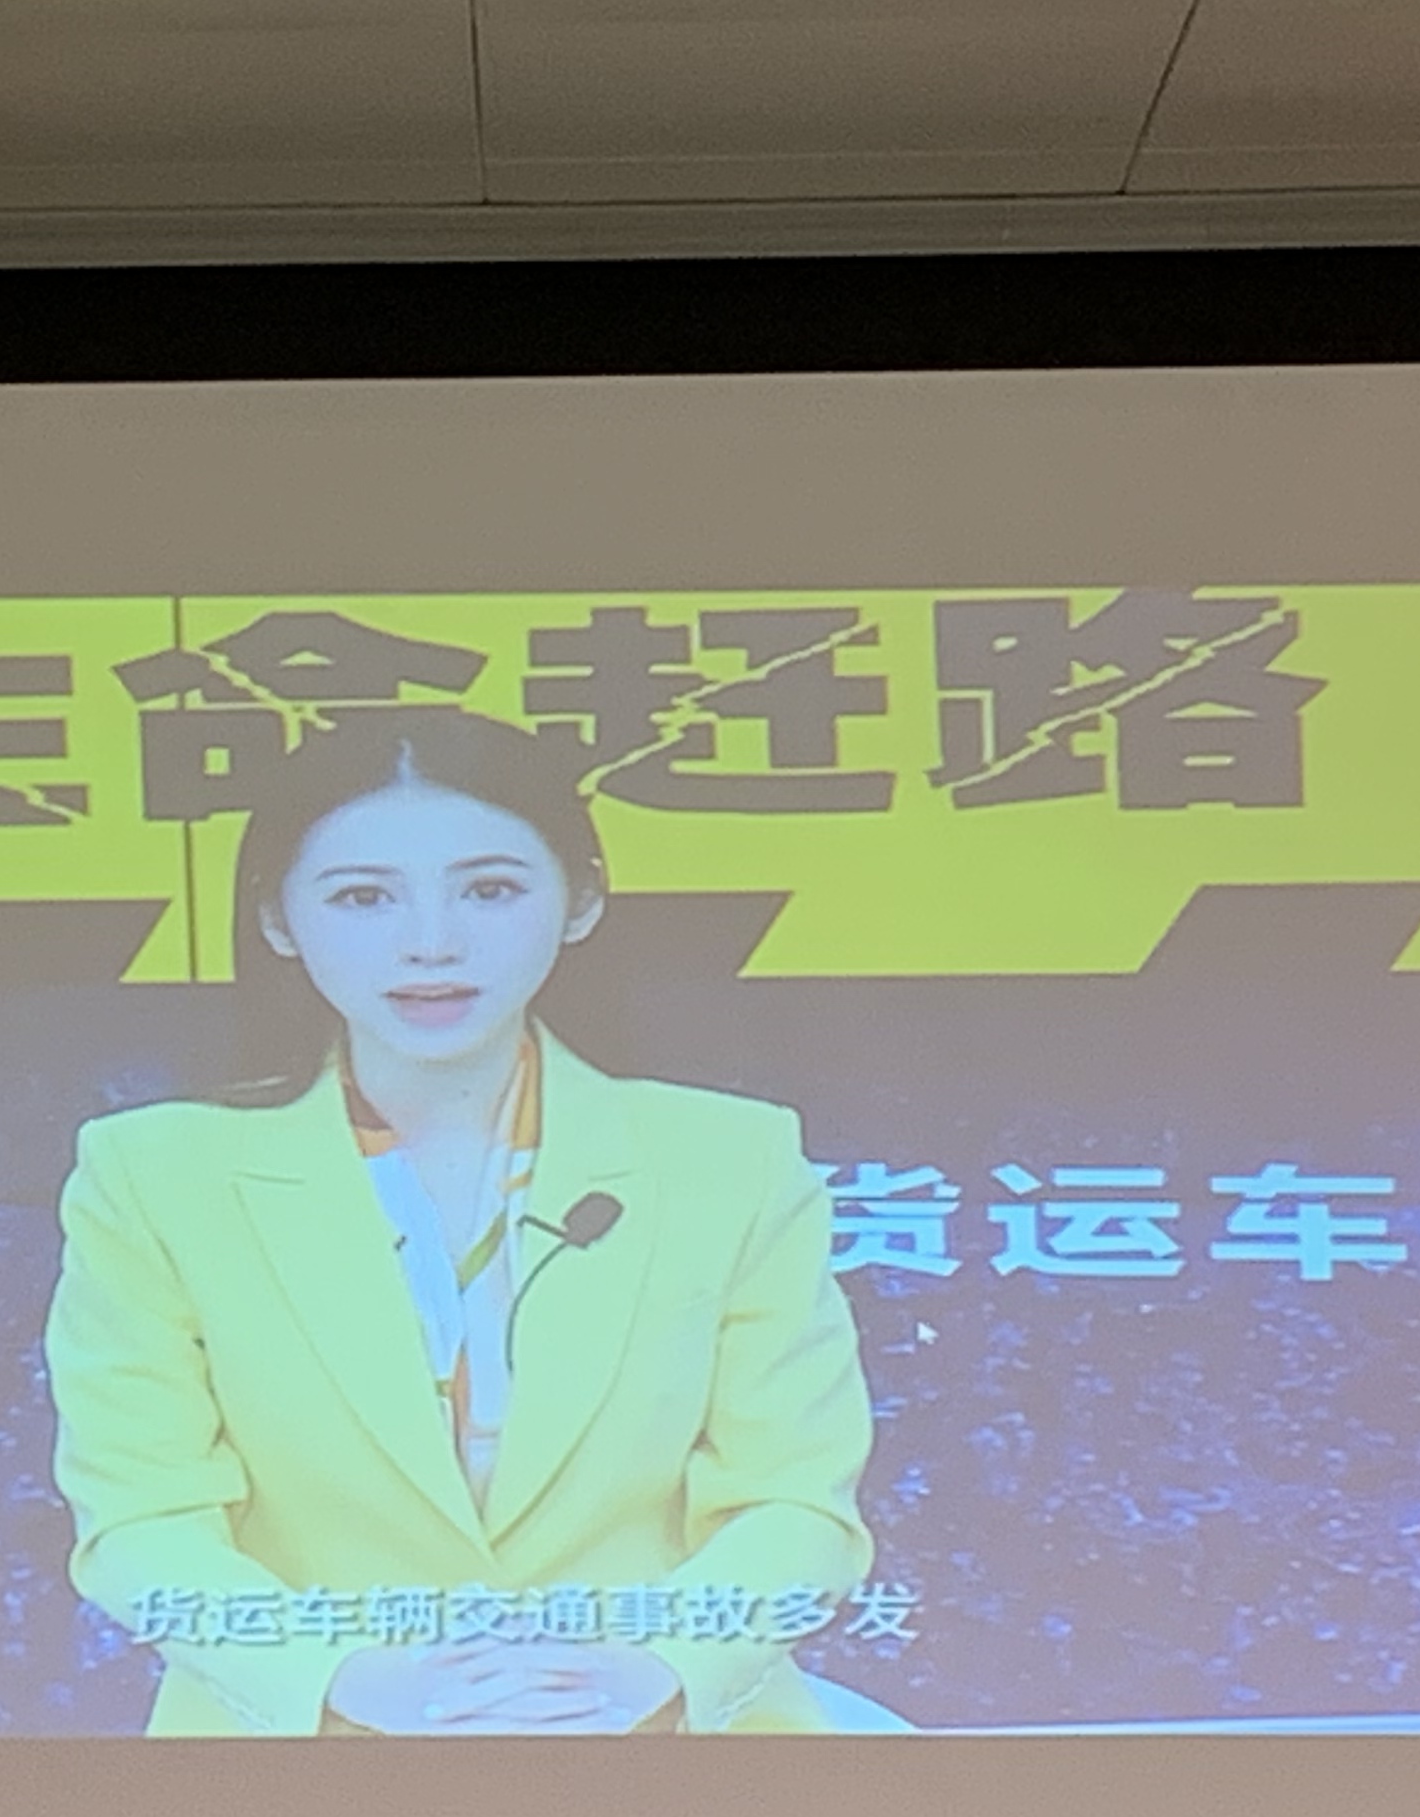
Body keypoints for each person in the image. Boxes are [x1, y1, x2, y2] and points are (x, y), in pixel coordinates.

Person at [43, 707, 876, 1734]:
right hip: (296, 1760)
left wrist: (648, 1673)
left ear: (581, 899)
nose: (431, 944)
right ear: (277, 920)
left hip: (666, 1750)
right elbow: (141, 1519)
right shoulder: (154, 1175)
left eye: (490, 890)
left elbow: (795, 1501)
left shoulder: (732, 1161)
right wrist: (346, 1681)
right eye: (363, 897)